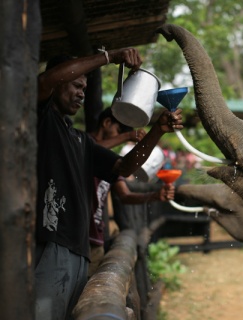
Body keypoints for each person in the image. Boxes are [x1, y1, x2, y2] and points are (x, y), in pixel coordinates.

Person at [35, 48, 183, 320]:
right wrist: (108, 57)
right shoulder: (40, 118)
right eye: (75, 84)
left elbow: (125, 167)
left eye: (85, 87)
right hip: (50, 242)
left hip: (79, 249)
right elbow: (43, 83)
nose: (81, 92)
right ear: (57, 82)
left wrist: (157, 131)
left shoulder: (81, 140)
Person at [88, 107, 175, 277]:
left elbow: (125, 196)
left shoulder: (109, 160)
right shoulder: (80, 142)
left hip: (95, 237)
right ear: (107, 123)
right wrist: (128, 136)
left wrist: (155, 196)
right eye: (119, 131)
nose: (121, 138)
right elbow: (90, 148)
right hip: (76, 236)